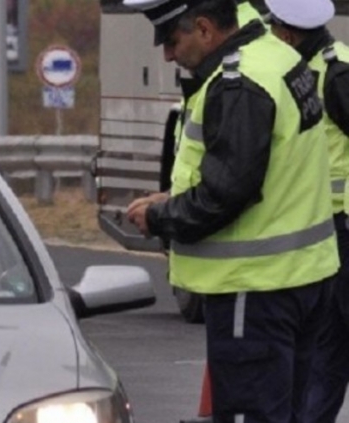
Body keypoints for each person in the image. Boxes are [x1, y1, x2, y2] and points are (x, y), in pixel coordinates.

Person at [123, 0, 339, 422]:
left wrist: (158, 219)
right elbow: (264, 170)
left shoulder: (238, 84)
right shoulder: (277, 57)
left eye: (171, 40)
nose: (167, 55)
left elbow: (225, 195)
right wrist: (173, 198)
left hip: (255, 288)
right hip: (304, 278)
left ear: (204, 29)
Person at [264, 1, 349, 422]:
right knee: (324, 342)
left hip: (340, 226)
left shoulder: (337, 72)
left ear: (290, 32)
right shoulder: (306, 67)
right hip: (318, 227)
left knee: (331, 344)